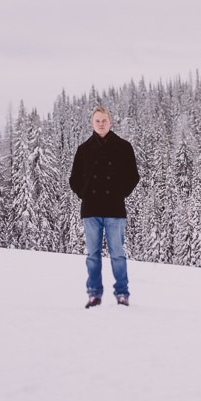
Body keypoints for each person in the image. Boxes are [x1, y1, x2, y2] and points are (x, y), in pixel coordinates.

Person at [69, 106, 140, 309]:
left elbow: (133, 176)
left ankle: (122, 293)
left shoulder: (124, 147)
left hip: (115, 210)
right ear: (92, 123)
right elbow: (74, 179)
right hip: (91, 210)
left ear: (110, 122)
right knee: (93, 255)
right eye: (97, 120)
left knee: (117, 254)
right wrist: (85, 194)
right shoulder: (83, 149)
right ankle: (94, 294)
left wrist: (119, 194)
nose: (101, 124)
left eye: (104, 120)